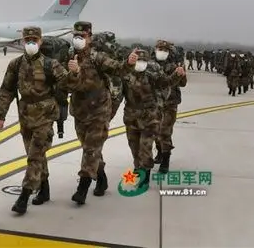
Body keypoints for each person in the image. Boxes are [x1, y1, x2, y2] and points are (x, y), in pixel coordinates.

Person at [0, 26, 77, 214]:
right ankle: (44, 189)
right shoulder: (16, 64)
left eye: (34, 39)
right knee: (35, 155)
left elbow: (69, 84)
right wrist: (1, 115)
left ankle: (24, 196)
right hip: (25, 115)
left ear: (40, 41)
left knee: (35, 156)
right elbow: (7, 90)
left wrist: (75, 72)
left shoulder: (50, 64)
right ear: (23, 41)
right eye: (27, 40)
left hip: (45, 116)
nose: (31, 42)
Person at [66, 21, 138, 205]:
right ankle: (102, 177)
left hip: (99, 110)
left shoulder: (97, 57)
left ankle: (82, 189)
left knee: (90, 149)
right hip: (80, 110)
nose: (78, 39)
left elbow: (118, 68)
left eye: (82, 36)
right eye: (76, 36)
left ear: (89, 37)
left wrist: (129, 63)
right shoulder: (69, 55)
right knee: (89, 147)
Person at [122, 49, 186, 188]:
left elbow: (167, 82)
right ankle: (139, 167)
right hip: (131, 117)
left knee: (145, 147)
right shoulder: (126, 74)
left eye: (143, 61)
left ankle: (145, 175)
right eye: (138, 60)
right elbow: (117, 93)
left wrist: (177, 74)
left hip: (150, 117)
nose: (140, 63)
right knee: (134, 147)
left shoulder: (153, 74)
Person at [152, 40, 187, 173]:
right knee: (155, 130)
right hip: (154, 103)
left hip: (170, 103)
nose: (162, 52)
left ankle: (166, 158)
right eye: (160, 49)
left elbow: (183, 83)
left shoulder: (174, 65)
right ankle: (160, 152)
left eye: (165, 50)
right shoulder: (150, 64)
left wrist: (181, 73)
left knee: (165, 131)